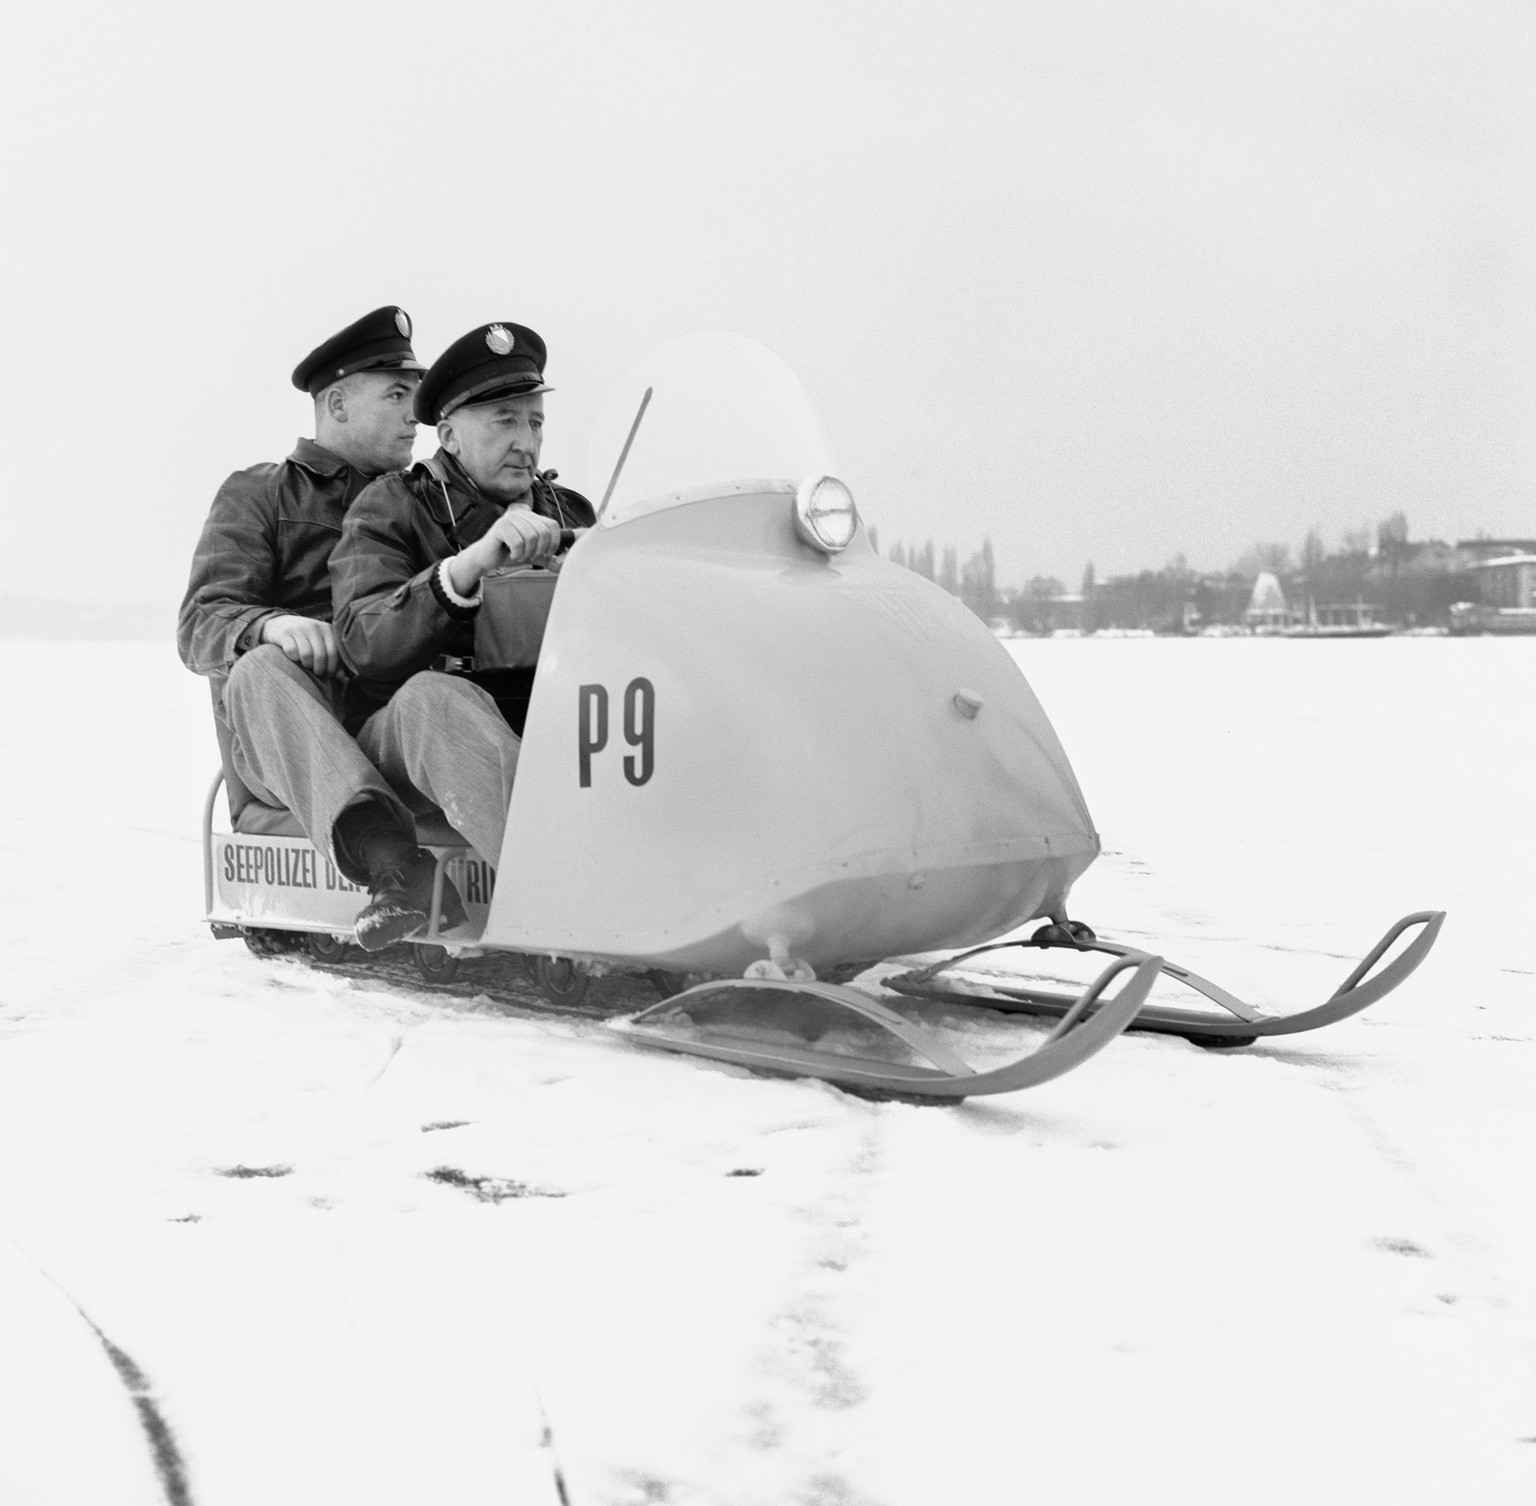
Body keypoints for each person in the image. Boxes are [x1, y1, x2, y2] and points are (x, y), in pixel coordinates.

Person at [179, 307, 496, 949]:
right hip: (290, 736)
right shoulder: (262, 494)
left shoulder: (430, 501)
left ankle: (578, 870)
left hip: (388, 730)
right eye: (399, 395)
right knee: (258, 670)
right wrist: (270, 626)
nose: (419, 415)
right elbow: (200, 623)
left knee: (437, 698)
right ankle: (395, 867)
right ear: (339, 403)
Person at [329, 322, 596, 847]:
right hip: (412, 744)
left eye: (535, 423)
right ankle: (558, 880)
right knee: (435, 698)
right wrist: (466, 568)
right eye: (504, 422)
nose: (526, 443)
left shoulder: (572, 511)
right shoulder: (394, 505)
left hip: (545, 721)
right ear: (449, 436)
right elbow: (364, 643)